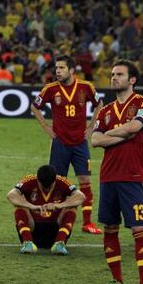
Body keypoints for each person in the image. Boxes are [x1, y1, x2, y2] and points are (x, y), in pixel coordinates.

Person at [91, 59, 143, 284]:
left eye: (119, 74)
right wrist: (123, 133)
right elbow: (95, 141)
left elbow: (136, 126)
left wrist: (112, 132)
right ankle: (116, 281)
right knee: (110, 229)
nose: (113, 77)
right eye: (113, 74)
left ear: (132, 79)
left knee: (139, 229)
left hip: (133, 178)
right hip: (108, 178)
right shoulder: (105, 111)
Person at [31, 54, 103, 234]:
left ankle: (87, 223)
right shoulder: (50, 88)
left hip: (79, 143)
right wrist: (46, 126)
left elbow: (99, 104)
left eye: (61, 68)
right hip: (60, 143)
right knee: (57, 182)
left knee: (85, 180)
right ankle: (55, 220)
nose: (58, 71)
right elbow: (34, 106)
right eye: (56, 68)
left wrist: (91, 126)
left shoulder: (86, 87)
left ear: (71, 70)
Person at [7, 165, 85, 255]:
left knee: (72, 204)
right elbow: (10, 195)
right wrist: (31, 206)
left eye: (50, 186)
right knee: (19, 203)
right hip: (33, 230)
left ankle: (59, 243)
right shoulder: (30, 180)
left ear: (55, 180)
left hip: (55, 231)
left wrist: (59, 206)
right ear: (38, 180)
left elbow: (81, 196)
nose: (47, 189)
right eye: (43, 186)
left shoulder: (61, 181)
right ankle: (27, 242)